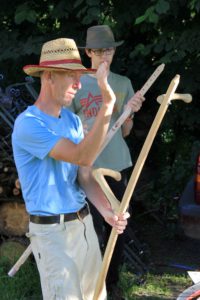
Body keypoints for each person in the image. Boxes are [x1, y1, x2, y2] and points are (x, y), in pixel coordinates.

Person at [11, 37, 130, 300]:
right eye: (72, 77)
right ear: (50, 76)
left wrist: (108, 212)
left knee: (95, 297)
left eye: (80, 76)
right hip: (52, 234)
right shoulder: (28, 124)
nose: (78, 85)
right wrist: (107, 105)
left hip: (84, 225)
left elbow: (84, 176)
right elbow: (82, 156)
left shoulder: (72, 120)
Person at [70, 25, 145, 293]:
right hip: (86, 168)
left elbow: (125, 130)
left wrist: (128, 112)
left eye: (110, 50)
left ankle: (111, 285)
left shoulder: (123, 83)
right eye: (100, 50)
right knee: (91, 231)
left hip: (116, 165)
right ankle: (89, 285)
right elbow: (65, 126)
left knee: (117, 226)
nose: (105, 56)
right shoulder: (75, 82)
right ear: (89, 51)